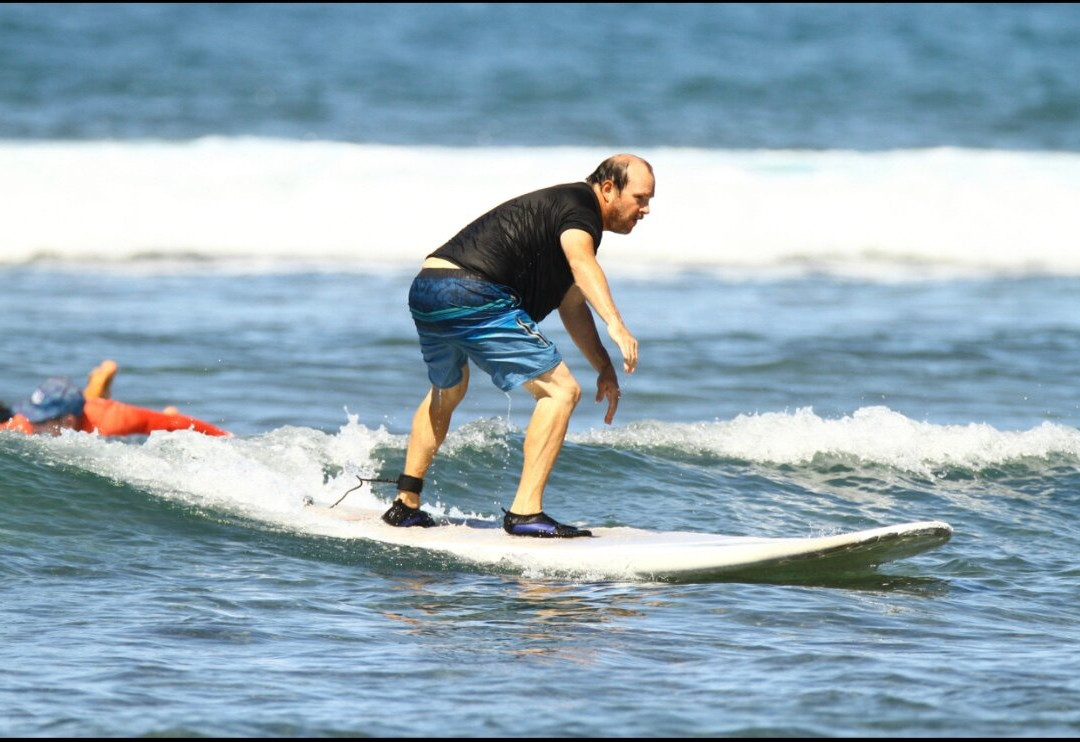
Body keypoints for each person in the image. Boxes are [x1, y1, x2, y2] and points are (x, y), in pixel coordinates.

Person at [381, 154, 654, 538]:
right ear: (608, 189)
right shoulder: (582, 210)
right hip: (473, 291)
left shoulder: (561, 212)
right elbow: (582, 264)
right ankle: (526, 513)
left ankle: (405, 504)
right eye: (640, 198)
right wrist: (617, 325)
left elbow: (572, 305)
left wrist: (604, 368)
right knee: (561, 392)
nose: (645, 209)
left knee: (448, 390)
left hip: (428, 286)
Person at [1, 360, 230, 437]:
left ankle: (98, 386)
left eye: (40, 419)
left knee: (163, 421)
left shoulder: (114, 421)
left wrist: (226, 437)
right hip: (83, 411)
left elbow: (174, 424)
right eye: (31, 413)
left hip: (96, 413)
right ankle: (97, 385)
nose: (32, 422)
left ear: (67, 421)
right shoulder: (27, 422)